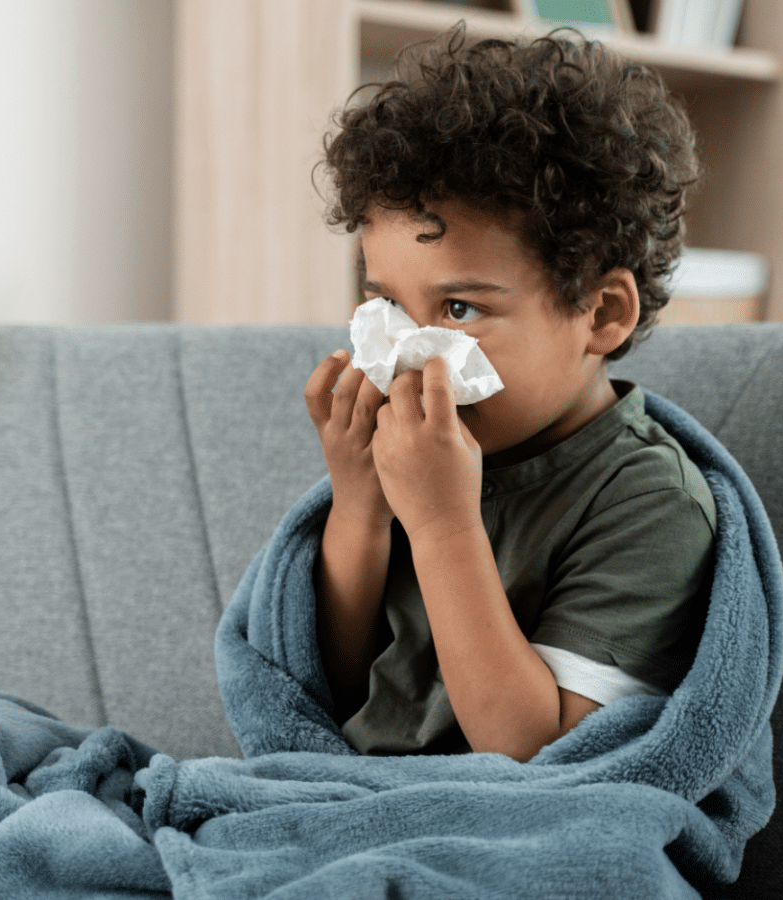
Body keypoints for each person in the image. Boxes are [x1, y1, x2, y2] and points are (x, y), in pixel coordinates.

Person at [303, 27, 712, 762]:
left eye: (459, 310)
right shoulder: (421, 449)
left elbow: (540, 752)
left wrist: (441, 527)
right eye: (391, 308)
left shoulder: (648, 499)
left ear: (603, 314)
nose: (410, 353)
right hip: (351, 794)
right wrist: (360, 505)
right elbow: (328, 688)